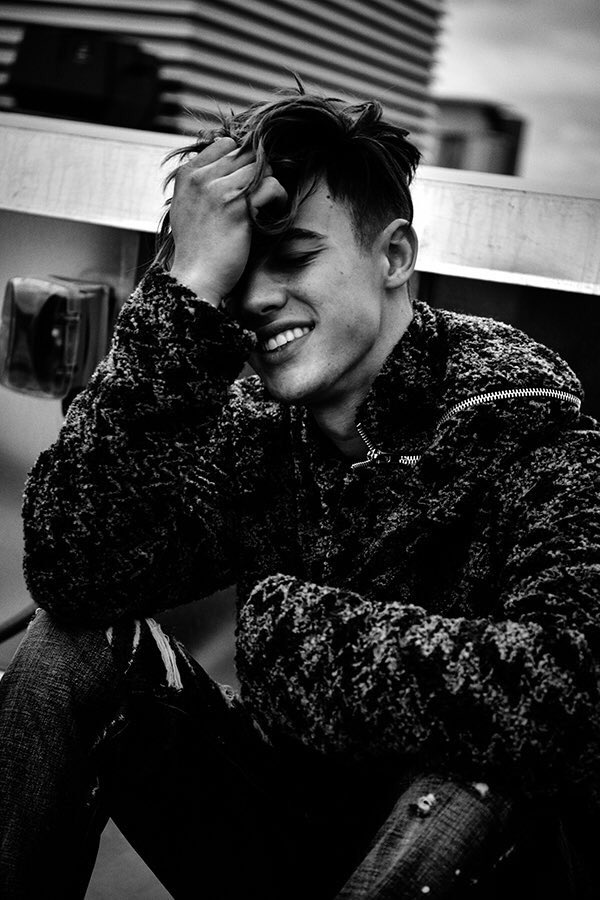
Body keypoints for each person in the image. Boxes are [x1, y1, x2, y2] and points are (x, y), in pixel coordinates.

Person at [1, 87, 600, 899]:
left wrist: (294, 639)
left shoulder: (525, 431)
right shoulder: (261, 433)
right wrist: (183, 290)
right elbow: (72, 571)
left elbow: (578, 694)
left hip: (468, 865)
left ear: (394, 257)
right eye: (238, 274)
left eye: (293, 259)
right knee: (67, 646)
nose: (253, 300)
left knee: (479, 779)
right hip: (288, 835)